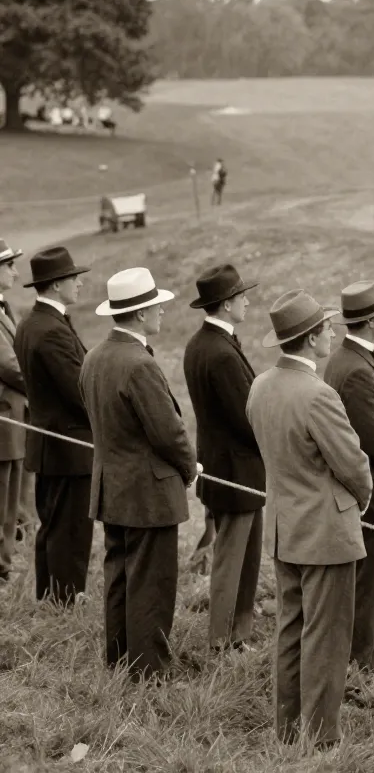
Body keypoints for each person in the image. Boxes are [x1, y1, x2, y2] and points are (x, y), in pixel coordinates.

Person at [246, 289, 372, 749]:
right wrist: (363, 499)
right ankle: (320, 738)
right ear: (313, 337)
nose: (334, 334)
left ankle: (287, 728)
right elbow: (354, 465)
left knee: (291, 628)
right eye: (328, 329)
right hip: (325, 532)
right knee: (327, 636)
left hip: (283, 526)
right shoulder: (319, 395)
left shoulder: (260, 386)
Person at [80, 267, 198, 680]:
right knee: (152, 582)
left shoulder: (94, 357)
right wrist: (189, 468)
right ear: (142, 314)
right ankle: (150, 671)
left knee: (119, 575)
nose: (163, 312)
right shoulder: (138, 364)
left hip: (111, 487)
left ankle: (119, 659)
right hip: (147, 493)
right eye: (157, 306)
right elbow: (168, 431)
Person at [322, 280, 374, 676]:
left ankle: (367, 660)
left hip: (372, 494)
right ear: (371, 322)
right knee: (373, 587)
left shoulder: (350, 359)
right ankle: (362, 666)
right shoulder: (356, 369)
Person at [182, 263, 264, 652]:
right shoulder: (221, 353)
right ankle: (222, 640)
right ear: (228, 304)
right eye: (243, 297)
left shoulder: (200, 343)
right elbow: (244, 417)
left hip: (221, 465)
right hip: (237, 470)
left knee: (244, 556)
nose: (247, 303)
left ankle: (238, 634)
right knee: (233, 558)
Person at [14, 246, 94, 606]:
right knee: (70, 528)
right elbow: (79, 392)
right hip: (69, 446)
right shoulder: (50, 330)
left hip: (50, 444)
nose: (79, 283)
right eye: (74, 278)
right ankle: (65, 599)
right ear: (58, 283)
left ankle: (49, 595)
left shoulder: (32, 323)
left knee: (52, 524)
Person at [0, 239, 28, 584]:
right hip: (5, 417)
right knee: (2, 494)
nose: (15, 271)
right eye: (9, 265)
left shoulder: (6, 307)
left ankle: (4, 562)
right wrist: (43, 388)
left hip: (14, 417)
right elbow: (10, 366)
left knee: (11, 495)